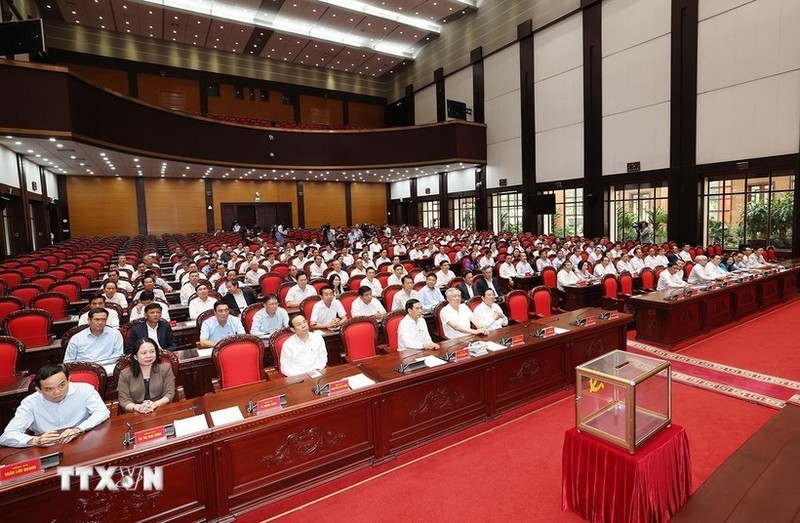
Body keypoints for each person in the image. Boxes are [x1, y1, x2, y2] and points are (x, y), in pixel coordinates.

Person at [0, 364, 110, 448]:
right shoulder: (30, 403)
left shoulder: (84, 390)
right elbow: (6, 436)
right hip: (47, 448)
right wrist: (35, 441)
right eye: (49, 389)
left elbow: (102, 412)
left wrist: (79, 429)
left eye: (62, 385)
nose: (57, 392)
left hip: (83, 441)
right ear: (39, 390)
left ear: (69, 380)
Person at [117, 338, 175, 414]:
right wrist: (137, 407)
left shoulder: (165, 368)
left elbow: (170, 393)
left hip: (161, 409)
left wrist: (155, 404)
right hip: (135, 413)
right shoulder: (125, 374)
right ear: (135, 357)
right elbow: (124, 400)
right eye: (144, 353)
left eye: (152, 352)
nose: (149, 356)